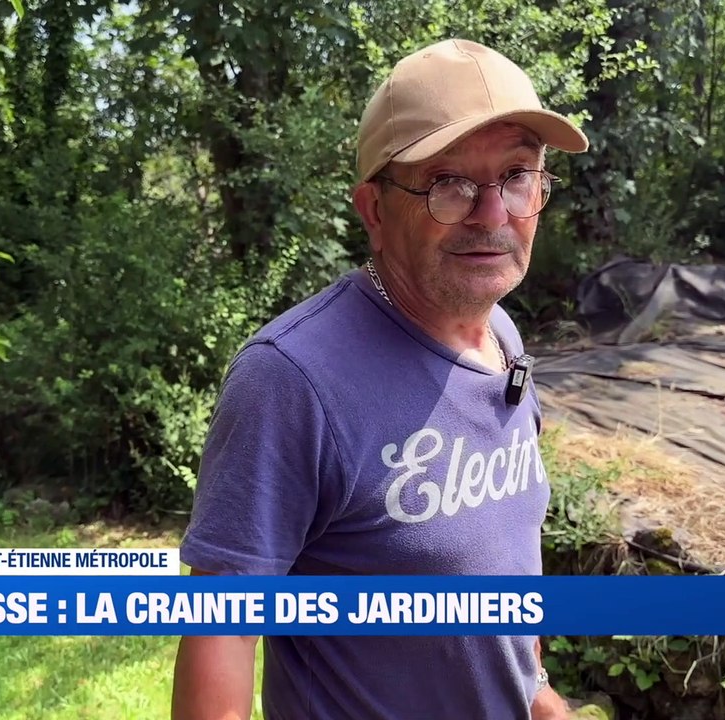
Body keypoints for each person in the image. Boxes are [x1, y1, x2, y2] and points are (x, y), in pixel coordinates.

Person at [171, 38, 590, 720]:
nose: (494, 216)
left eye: (518, 175)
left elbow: (502, 561)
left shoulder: (503, 334)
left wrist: (539, 697)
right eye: (448, 184)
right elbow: (221, 630)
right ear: (373, 211)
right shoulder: (294, 379)